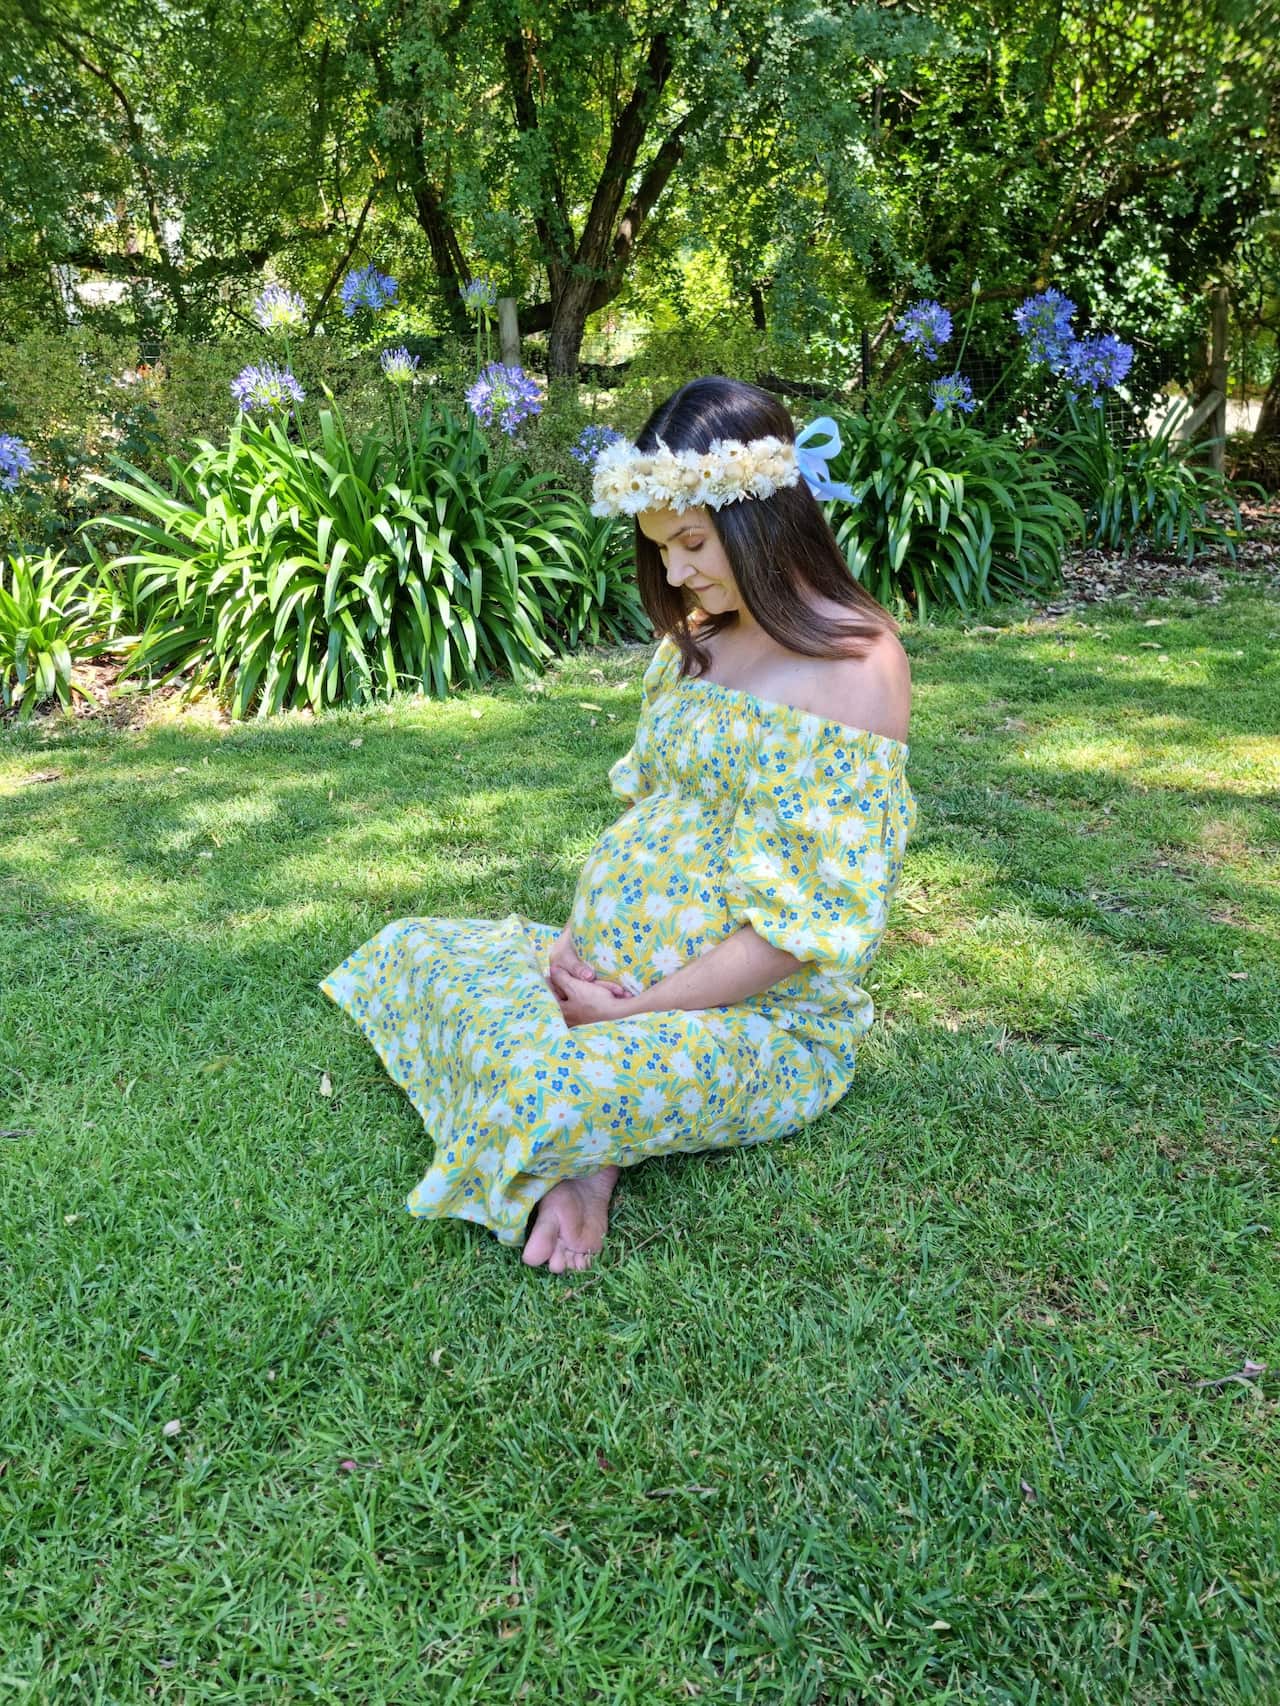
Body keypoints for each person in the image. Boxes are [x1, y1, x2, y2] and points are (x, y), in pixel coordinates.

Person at [320, 376, 916, 1273]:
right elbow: (646, 827)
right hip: (608, 981)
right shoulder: (703, 639)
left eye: (690, 543)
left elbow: (803, 932)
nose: (675, 574)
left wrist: (630, 1014)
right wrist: (574, 942)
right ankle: (586, 1116)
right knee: (412, 950)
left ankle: (582, 1152)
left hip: (751, 1020)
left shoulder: (856, 667)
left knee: (543, 1086)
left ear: (763, 519)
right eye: (659, 548)